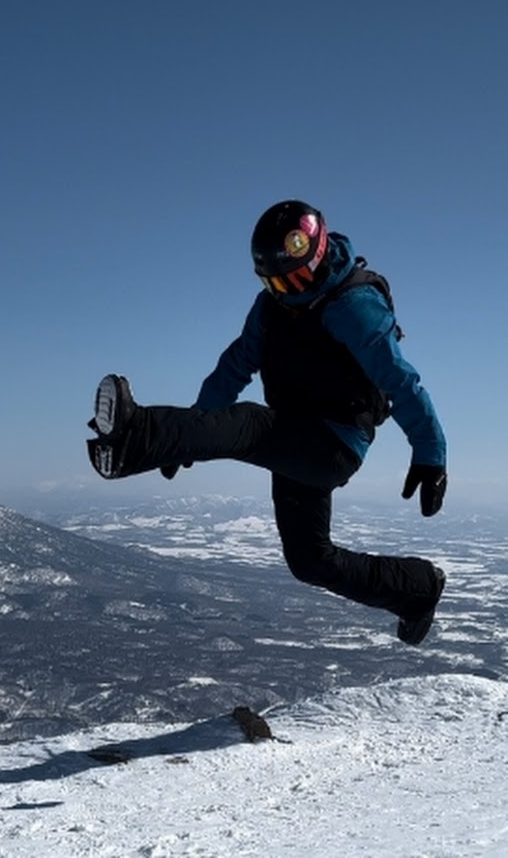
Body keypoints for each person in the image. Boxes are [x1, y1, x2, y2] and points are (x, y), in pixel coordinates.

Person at [86, 199, 447, 645]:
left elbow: (400, 380)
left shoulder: (353, 306)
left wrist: (431, 453)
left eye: (292, 279)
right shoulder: (272, 306)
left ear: (314, 256)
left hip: (334, 445)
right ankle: (417, 589)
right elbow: (236, 365)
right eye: (274, 282)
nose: (286, 291)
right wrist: (190, 434)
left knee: (248, 426)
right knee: (309, 560)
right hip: (294, 439)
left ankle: (132, 438)